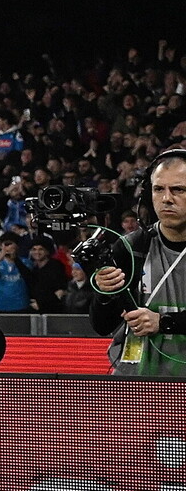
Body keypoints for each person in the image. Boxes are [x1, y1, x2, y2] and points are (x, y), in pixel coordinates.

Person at [91, 146, 186, 376]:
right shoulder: (132, 246)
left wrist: (164, 322)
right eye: (158, 189)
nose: (166, 199)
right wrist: (105, 294)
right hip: (138, 383)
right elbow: (102, 326)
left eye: (178, 190)